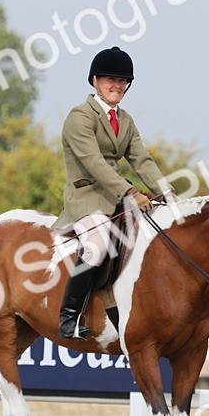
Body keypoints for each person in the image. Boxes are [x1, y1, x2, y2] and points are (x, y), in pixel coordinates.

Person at [53, 46, 172, 340]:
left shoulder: (126, 121)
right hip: (85, 198)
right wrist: (131, 191)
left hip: (115, 199)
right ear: (95, 80)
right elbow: (94, 164)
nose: (116, 85)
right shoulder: (80, 117)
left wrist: (168, 194)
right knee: (97, 244)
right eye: (109, 79)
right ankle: (69, 316)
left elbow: (141, 159)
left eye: (122, 81)